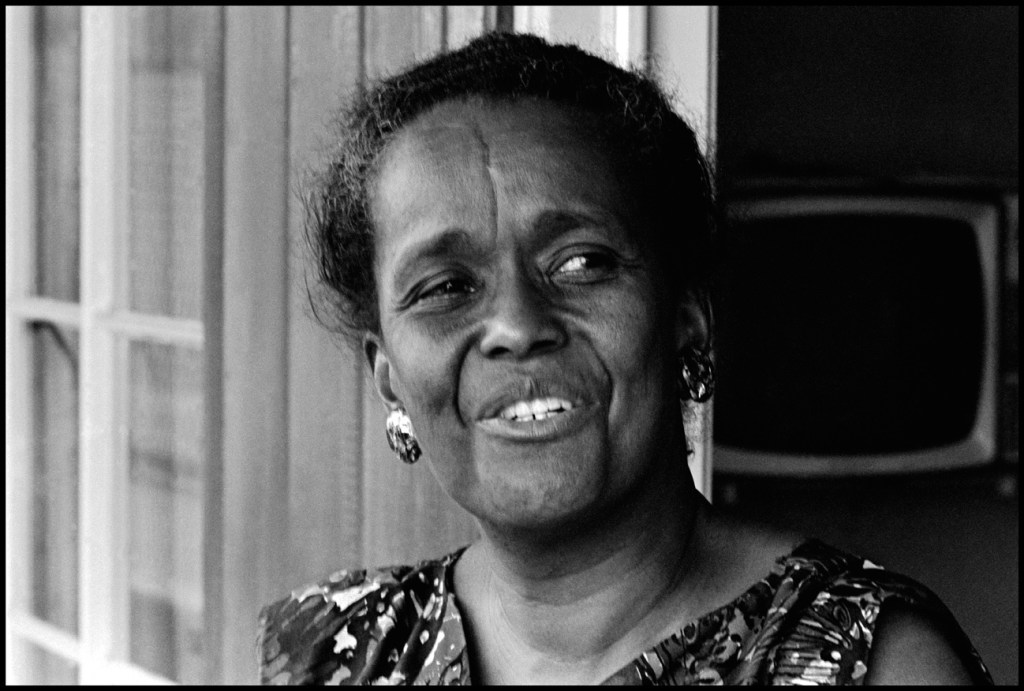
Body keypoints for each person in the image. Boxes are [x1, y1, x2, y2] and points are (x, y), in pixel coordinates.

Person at [256, 32, 992, 685]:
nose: (516, 325)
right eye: (445, 287)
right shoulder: (335, 652)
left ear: (687, 320)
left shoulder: (873, 663)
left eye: (580, 263)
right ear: (387, 376)